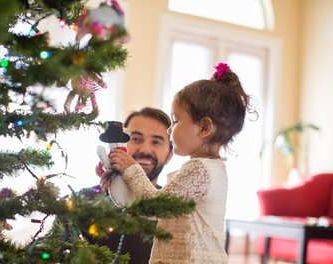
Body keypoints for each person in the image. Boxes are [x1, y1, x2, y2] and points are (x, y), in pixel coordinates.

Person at [105, 62, 257, 263]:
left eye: (175, 121)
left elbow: (154, 206)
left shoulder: (199, 170)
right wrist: (119, 184)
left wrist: (131, 168)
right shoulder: (211, 168)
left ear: (204, 127)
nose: (169, 130)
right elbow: (151, 210)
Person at [80, 107, 174, 264]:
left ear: (169, 156)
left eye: (156, 142)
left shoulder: (174, 209)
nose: (145, 149)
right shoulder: (83, 200)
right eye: (136, 139)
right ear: (119, 144)